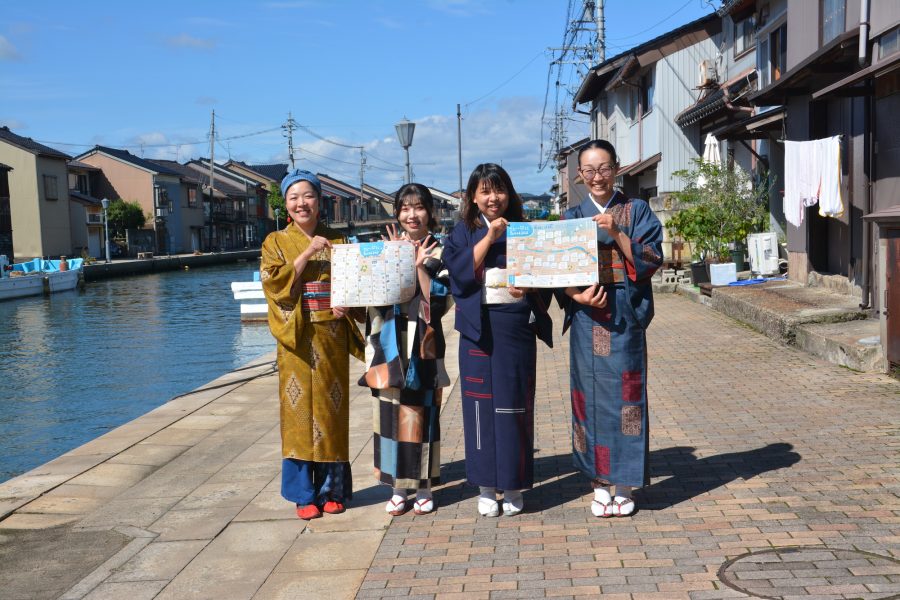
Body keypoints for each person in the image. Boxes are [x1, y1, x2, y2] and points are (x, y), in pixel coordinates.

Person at [443, 163, 553, 517]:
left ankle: (514, 482)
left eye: (499, 189)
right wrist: (489, 237)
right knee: (478, 406)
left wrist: (530, 286)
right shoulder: (462, 232)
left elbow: (543, 275)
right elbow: (458, 275)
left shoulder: (525, 230)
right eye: (485, 191)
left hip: (514, 325)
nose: (493, 198)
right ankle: (486, 486)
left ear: (510, 193)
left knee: (514, 404)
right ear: (473, 197)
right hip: (478, 328)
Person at [560, 139, 663, 518]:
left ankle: (624, 484)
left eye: (604, 168)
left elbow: (653, 258)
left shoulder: (636, 210)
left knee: (627, 398)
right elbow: (556, 272)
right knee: (589, 397)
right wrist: (577, 296)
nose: (597, 177)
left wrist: (618, 233)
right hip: (589, 314)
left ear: (616, 169)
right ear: (579, 177)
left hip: (623, 313)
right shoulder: (572, 216)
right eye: (589, 171)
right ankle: (599, 483)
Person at [260, 169, 365, 521]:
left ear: (319, 202)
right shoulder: (274, 242)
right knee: (299, 414)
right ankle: (303, 493)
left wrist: (347, 305)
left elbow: (355, 286)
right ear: (286, 205)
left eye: (308, 196)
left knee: (332, 412)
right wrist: (305, 254)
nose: (301, 203)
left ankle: (332, 490)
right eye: (294, 197)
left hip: (331, 333)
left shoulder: (340, 241)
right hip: (297, 338)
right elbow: (275, 288)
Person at [361, 183, 451, 517]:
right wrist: (390, 260)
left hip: (423, 345)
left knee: (421, 415)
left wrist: (415, 265)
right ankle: (398, 487)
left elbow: (438, 302)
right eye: (404, 208)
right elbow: (371, 297)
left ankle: (424, 486)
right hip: (388, 342)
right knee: (387, 415)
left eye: (418, 207)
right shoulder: (385, 248)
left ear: (430, 212)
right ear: (397, 213)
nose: (411, 215)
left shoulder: (442, 250)